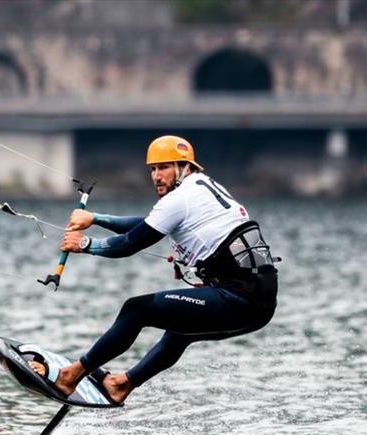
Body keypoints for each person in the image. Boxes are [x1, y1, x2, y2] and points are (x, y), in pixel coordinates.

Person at [33, 135, 279, 404]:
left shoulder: (181, 198)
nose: (156, 176)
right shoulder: (201, 187)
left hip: (239, 298)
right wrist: (96, 219)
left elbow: (130, 244)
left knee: (137, 309)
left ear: (184, 168)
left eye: (164, 168)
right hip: (259, 305)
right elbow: (149, 224)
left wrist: (85, 243)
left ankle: (71, 376)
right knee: (180, 330)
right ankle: (121, 385)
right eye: (153, 169)